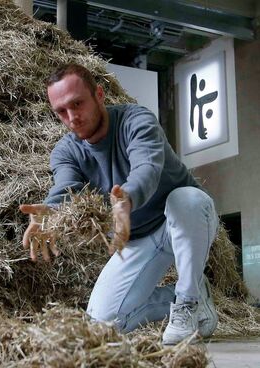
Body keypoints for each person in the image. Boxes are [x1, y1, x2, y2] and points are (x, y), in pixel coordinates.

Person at [20, 63, 218, 345]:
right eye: (61, 111)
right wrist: (52, 211)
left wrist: (127, 198)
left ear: (99, 95)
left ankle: (188, 301)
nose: (72, 117)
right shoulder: (66, 151)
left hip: (181, 220)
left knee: (187, 198)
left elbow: (147, 166)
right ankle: (193, 297)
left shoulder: (135, 120)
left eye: (78, 104)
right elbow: (66, 187)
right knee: (102, 324)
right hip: (135, 237)